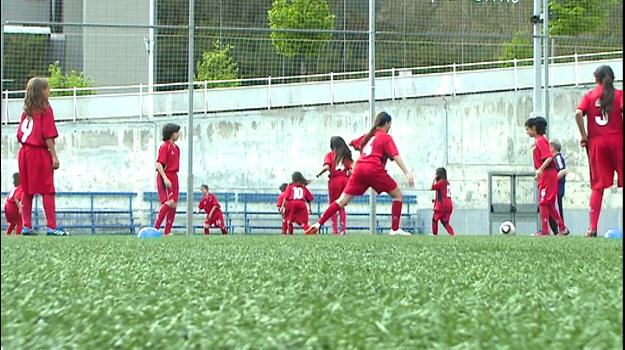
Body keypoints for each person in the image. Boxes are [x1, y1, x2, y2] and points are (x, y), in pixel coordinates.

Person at [305, 111, 415, 236]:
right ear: (386, 123)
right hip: (373, 169)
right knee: (398, 195)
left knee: (341, 201)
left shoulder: (368, 136)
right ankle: (394, 230)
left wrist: (356, 146)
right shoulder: (385, 137)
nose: (390, 128)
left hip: (359, 169)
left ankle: (318, 223)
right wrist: (407, 173)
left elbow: (354, 143)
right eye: (390, 125)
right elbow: (395, 155)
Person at [575, 65, 623, 237]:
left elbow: (578, 113)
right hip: (618, 141)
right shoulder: (619, 95)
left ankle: (593, 228)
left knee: (598, 187)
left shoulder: (589, 96)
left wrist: (583, 135)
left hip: (597, 143)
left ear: (596, 78)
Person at [16, 77, 67, 236]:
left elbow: (22, 133)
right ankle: (51, 227)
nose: (49, 92)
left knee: (27, 190)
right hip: (38, 152)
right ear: (41, 91)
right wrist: (54, 156)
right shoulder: (45, 109)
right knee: (47, 190)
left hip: (24, 153)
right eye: (47, 89)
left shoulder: (27, 111)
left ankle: (26, 226)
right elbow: (47, 135)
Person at [525, 117, 569, 237]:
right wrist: (540, 172)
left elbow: (549, 157)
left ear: (534, 128)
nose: (527, 132)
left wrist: (540, 170)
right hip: (546, 174)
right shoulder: (539, 141)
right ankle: (562, 228)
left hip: (549, 174)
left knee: (543, 202)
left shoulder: (541, 141)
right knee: (548, 203)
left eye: (528, 129)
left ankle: (544, 231)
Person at [316, 136, 353, 235]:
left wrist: (319, 174)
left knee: (333, 205)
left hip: (334, 181)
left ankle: (335, 230)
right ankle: (343, 229)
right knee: (341, 205)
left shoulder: (329, 155)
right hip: (345, 180)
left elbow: (326, 166)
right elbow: (350, 171)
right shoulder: (345, 156)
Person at [154, 123, 180, 236]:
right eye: (176, 132)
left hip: (174, 176)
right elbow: (159, 164)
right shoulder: (165, 146)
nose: (178, 134)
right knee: (168, 202)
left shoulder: (177, 148)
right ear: (171, 133)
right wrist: (165, 178)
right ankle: (155, 229)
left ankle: (167, 232)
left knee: (174, 205)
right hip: (166, 175)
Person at [548, 140, 568, 235]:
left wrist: (553, 180)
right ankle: (556, 231)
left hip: (557, 189)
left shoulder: (558, 158)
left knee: (556, 209)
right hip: (553, 189)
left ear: (552, 148)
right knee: (551, 210)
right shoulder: (553, 159)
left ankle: (562, 229)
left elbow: (563, 171)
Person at [431, 167, 455, 237]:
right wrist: (435, 200)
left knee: (434, 219)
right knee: (445, 222)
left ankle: (435, 235)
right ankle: (452, 235)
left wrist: (434, 178)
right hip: (449, 205)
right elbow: (445, 194)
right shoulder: (447, 183)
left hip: (442, 205)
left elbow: (432, 187)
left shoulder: (440, 182)